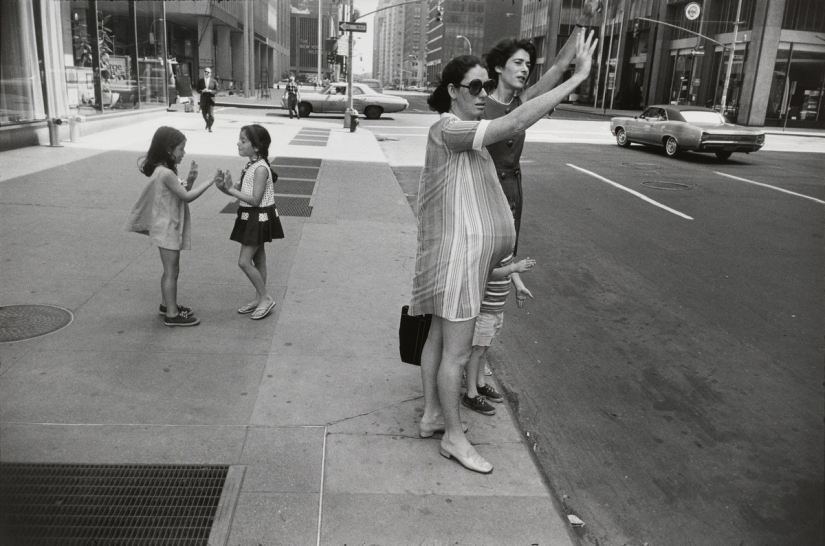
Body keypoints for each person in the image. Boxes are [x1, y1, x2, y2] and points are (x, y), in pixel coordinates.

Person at [409, 30, 597, 474]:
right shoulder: (450, 129)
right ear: (453, 91)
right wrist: (577, 78)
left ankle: (433, 415)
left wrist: (567, 57)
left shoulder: (460, 131)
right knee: (457, 353)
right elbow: (512, 123)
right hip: (459, 260)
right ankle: (454, 438)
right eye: (473, 87)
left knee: (438, 339)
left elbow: (518, 108)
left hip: (456, 255)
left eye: (484, 86)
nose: (482, 94)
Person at [483, 0, 601, 256]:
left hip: (513, 190)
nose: (525, 69)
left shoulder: (524, 100)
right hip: (484, 189)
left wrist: (583, 19)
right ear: (499, 67)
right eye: (518, 62)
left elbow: (559, 66)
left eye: (528, 65)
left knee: (506, 256)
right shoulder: (480, 104)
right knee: (484, 256)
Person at [125, 127, 219, 327]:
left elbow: (180, 193)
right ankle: (172, 314)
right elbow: (187, 196)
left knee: (171, 270)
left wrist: (191, 179)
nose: (184, 153)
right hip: (166, 227)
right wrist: (209, 181)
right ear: (169, 150)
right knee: (171, 271)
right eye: (181, 149)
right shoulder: (166, 173)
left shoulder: (164, 171)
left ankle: (166, 305)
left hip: (167, 225)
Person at [217, 124, 284, 320]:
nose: (238, 143)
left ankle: (265, 297)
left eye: (243, 140)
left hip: (258, 217)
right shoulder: (251, 165)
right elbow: (239, 192)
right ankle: (259, 298)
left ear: (256, 146)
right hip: (253, 216)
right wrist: (225, 188)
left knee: (244, 262)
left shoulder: (260, 169)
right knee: (259, 259)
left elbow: (255, 199)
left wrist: (231, 190)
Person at [462, 254, 535, 416]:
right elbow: (486, 271)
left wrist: (519, 284)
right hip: (485, 308)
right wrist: (514, 268)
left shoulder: (506, 242)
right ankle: (471, 394)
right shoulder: (490, 244)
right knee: (477, 350)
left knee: (484, 348)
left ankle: (480, 383)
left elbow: (509, 262)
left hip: (496, 307)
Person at [196, 67, 218, 131]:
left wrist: (210, 91)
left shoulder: (214, 81)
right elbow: (197, 89)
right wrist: (202, 91)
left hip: (210, 100)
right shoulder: (200, 81)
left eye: (208, 72)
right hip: (203, 99)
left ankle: (209, 127)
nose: (206, 73)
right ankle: (208, 124)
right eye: (205, 71)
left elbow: (217, 90)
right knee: (204, 114)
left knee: (211, 116)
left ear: (210, 73)